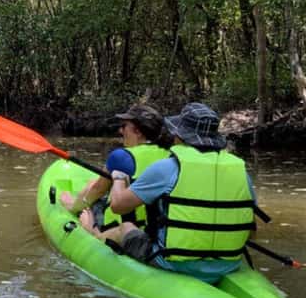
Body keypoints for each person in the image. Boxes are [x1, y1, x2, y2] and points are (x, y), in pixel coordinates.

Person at [78, 103, 258, 284]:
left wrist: (118, 177)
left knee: (126, 228)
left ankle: (92, 234)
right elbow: (250, 233)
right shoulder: (241, 172)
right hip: (228, 265)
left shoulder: (169, 167)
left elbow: (118, 206)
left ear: (179, 136)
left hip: (173, 264)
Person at [61, 104, 170, 230]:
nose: (120, 131)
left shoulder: (122, 156)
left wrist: (73, 207)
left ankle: (78, 211)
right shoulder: (170, 155)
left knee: (92, 190)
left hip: (121, 228)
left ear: (138, 132)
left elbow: (98, 190)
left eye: (124, 127)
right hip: (156, 231)